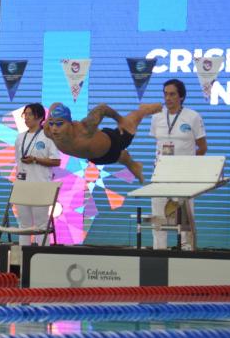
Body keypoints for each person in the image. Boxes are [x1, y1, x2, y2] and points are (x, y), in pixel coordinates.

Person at [149, 79, 207, 250]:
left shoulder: (192, 116)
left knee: (185, 219)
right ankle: (159, 251)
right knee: (158, 217)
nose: (168, 98)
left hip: (184, 176)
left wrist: (187, 165)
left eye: (172, 94)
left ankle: (186, 252)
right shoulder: (157, 117)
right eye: (165, 94)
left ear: (181, 96)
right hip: (161, 175)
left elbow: (203, 147)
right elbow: (158, 145)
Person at [44, 101, 162, 184]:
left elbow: (102, 108)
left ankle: (144, 109)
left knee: (131, 122)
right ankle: (133, 165)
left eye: (59, 123)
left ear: (69, 123)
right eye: (51, 123)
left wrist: (120, 120)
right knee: (121, 157)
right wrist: (52, 115)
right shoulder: (48, 131)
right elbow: (55, 104)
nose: (54, 128)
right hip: (96, 158)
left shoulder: (85, 129)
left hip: (113, 142)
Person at [14, 103, 61, 246]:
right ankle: (22, 259)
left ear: (39, 117)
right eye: (25, 114)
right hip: (22, 186)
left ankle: (42, 257)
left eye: (29, 114)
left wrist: (36, 159)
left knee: (41, 225)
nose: (26, 118)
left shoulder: (48, 137)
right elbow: (18, 162)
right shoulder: (20, 137)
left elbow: (56, 161)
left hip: (40, 185)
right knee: (24, 225)